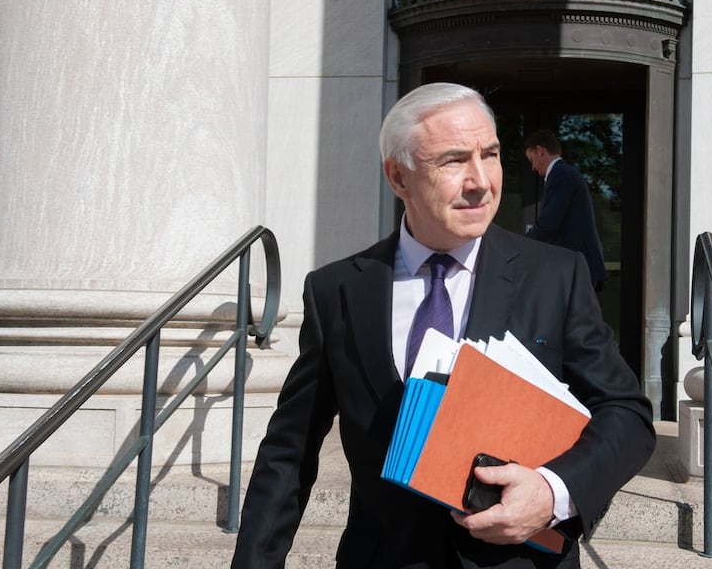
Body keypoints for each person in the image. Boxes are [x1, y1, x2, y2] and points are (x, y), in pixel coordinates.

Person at [231, 82, 654, 568]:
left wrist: (552, 491)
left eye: (490, 154)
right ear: (398, 177)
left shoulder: (555, 276)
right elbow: (289, 453)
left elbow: (626, 413)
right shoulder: (336, 291)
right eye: (454, 161)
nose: (481, 181)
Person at [524, 129, 608, 291]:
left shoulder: (560, 175)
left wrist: (521, 245)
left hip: (578, 267)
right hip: (577, 266)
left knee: (576, 316)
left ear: (540, 151)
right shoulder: (565, 174)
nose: (533, 167)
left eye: (532, 160)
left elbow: (549, 224)